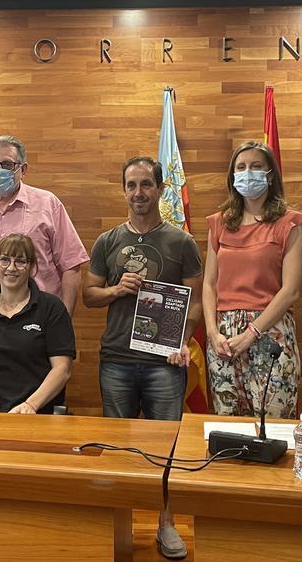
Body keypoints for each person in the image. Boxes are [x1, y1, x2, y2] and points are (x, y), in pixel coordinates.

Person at [82, 156, 202, 560]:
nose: (138, 193)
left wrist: (183, 342)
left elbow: (196, 306)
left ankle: (166, 524)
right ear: (123, 190)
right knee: (117, 448)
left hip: (163, 364)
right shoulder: (108, 241)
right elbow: (88, 296)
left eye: (146, 185)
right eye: (131, 185)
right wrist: (116, 289)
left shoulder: (181, 242)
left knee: (165, 449)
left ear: (161, 189)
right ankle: (120, 525)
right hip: (115, 359)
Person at [203, 140, 302, 420]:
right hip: (224, 337)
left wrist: (250, 334)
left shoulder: (290, 224)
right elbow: (209, 283)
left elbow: (291, 291)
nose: (247, 173)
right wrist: (212, 333)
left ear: (270, 175)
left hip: (269, 332)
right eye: (241, 167)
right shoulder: (219, 223)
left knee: (270, 425)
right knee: (227, 425)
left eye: (256, 166)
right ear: (232, 175)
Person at [0, 135, 89, 314]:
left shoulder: (48, 204)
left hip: (38, 316)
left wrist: (63, 320)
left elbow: (71, 264)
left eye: (7, 165)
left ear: (23, 169)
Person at [0, 234, 75, 413]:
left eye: (20, 261)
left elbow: (62, 369)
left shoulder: (51, 309)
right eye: (4, 260)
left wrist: (30, 405)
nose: (11, 267)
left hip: (32, 413)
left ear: (32, 268)